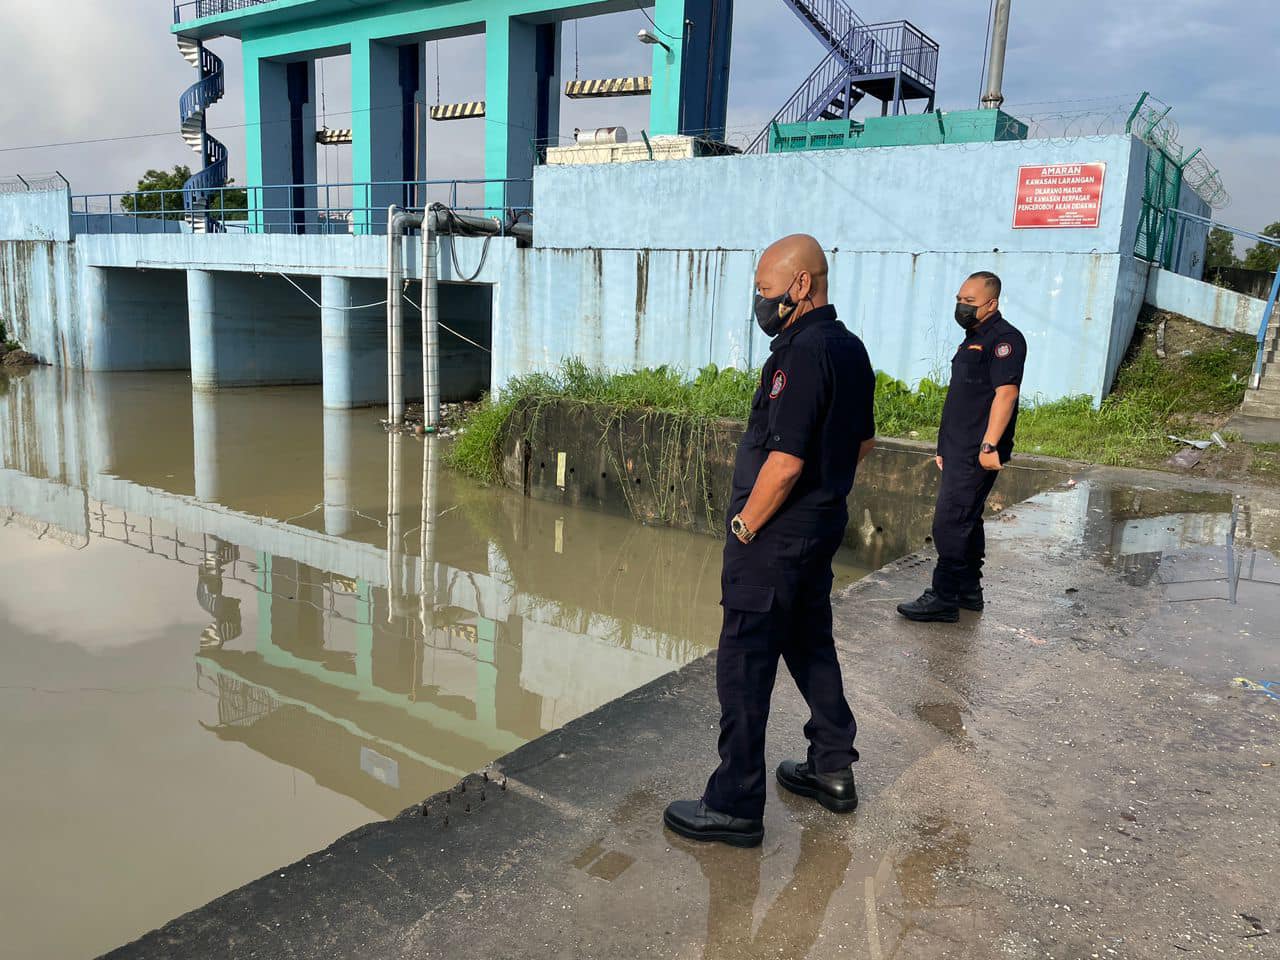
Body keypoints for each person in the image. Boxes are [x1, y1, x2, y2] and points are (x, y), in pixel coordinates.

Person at [663, 234, 877, 848]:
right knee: (809, 642)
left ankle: (734, 804)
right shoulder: (851, 349)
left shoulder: (801, 354)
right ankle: (831, 766)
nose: (760, 302)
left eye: (765, 290)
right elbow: (862, 443)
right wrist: (821, 495)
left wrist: (745, 527)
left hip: (775, 538)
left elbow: (782, 463)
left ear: (800, 286)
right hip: (817, 530)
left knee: (744, 662)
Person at [897, 271, 1027, 623]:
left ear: (992, 304)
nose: (961, 306)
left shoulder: (1005, 340)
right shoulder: (973, 337)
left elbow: (1006, 394)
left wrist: (989, 445)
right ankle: (969, 591)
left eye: (970, 302)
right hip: (957, 447)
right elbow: (963, 397)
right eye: (959, 299)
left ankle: (944, 597)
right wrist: (944, 446)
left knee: (949, 523)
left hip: (976, 449)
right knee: (966, 519)